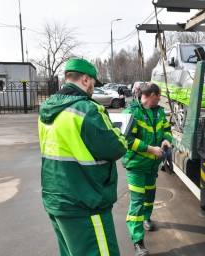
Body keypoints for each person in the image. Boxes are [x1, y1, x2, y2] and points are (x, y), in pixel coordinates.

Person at [38, 58, 127, 256]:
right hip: (85, 203)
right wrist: (119, 133)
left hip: (57, 200)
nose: (93, 89)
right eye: (94, 83)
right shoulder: (87, 110)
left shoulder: (47, 111)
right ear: (85, 79)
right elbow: (116, 148)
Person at [122, 82, 172, 256]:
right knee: (137, 202)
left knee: (150, 195)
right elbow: (127, 140)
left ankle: (147, 218)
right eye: (159, 96)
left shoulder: (158, 112)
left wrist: (166, 140)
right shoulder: (131, 113)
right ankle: (138, 242)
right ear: (152, 95)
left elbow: (166, 128)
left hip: (152, 166)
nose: (160, 100)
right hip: (136, 166)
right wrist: (151, 149)